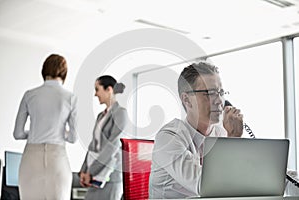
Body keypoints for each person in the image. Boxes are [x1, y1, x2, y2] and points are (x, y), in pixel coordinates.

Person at [149, 62, 243, 198]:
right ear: (186, 99)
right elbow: (207, 187)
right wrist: (234, 139)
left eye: (221, 93)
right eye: (210, 93)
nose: (219, 101)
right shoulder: (169, 137)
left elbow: (241, 177)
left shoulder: (222, 132)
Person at [13, 54, 78, 200]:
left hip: (31, 159)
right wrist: (59, 132)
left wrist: (36, 131)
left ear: (44, 71)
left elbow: (18, 134)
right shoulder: (70, 98)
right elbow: (73, 138)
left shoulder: (29, 95)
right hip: (57, 160)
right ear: (64, 73)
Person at [79, 75, 128, 200]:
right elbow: (93, 145)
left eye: (97, 89)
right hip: (94, 176)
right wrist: (83, 171)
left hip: (110, 177)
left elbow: (112, 146)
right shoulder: (101, 116)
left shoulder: (120, 113)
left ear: (109, 89)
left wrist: (91, 171)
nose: (95, 94)